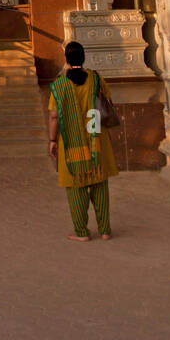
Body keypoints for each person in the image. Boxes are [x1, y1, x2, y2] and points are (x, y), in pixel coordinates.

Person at [48, 41, 118, 241]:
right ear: (83, 57)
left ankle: (82, 232)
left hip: (71, 142)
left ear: (67, 59)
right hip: (96, 137)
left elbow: (54, 116)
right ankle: (105, 230)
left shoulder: (59, 85)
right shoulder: (96, 78)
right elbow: (107, 101)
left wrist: (52, 140)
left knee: (76, 186)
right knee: (100, 184)